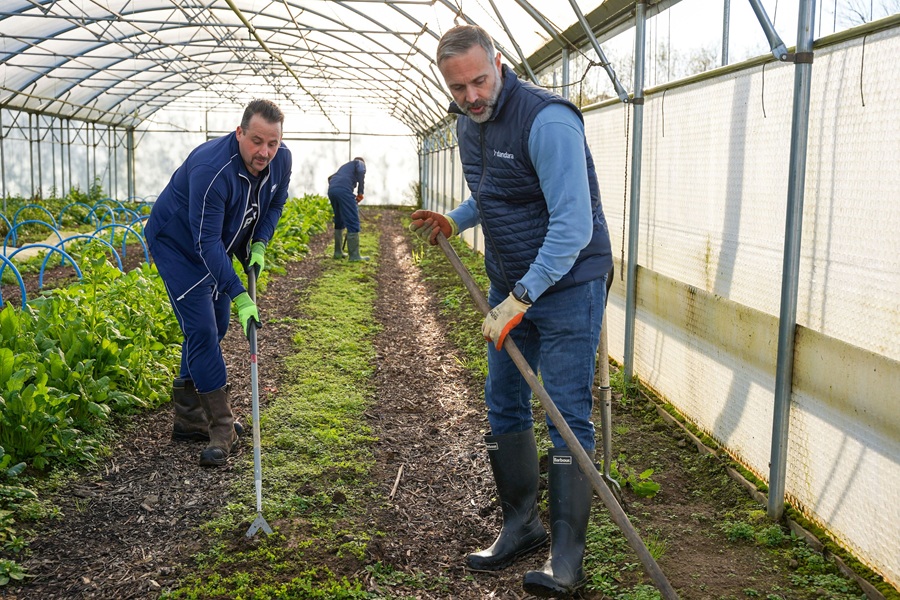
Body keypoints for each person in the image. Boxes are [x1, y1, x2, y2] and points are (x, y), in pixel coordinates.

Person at [409, 25, 613, 598]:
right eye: (458, 88)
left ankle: (566, 559)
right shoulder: (467, 126)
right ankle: (521, 525)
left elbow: (573, 225)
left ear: (499, 63)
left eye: (479, 80)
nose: (472, 96)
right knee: (503, 399)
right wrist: (455, 218)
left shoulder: (548, 121)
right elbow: (494, 191)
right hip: (513, 285)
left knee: (566, 412)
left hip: (569, 283)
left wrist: (521, 300)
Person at [144, 99, 292, 468]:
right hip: (178, 246)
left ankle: (188, 417)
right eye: (257, 141)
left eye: (272, 143)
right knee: (204, 330)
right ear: (239, 132)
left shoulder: (281, 159)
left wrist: (259, 241)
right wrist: (240, 294)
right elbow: (203, 242)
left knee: (217, 325)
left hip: (214, 243)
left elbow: (275, 203)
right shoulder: (213, 169)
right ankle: (222, 427)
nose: (265, 152)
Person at [327, 157, 368, 261]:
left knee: (339, 220)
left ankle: (338, 252)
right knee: (353, 220)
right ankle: (354, 256)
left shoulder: (344, 168)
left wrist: (345, 192)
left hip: (332, 191)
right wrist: (360, 193)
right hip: (343, 191)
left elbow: (330, 178)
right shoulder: (359, 163)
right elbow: (361, 171)